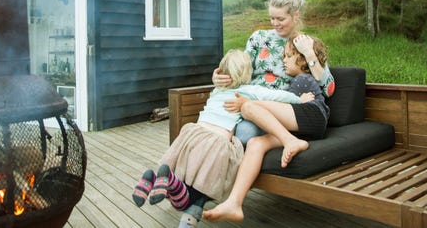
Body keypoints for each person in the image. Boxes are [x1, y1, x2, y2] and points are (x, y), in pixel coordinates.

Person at [131, 50, 311, 227]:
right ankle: (174, 187)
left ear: (223, 73)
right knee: (207, 181)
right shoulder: (249, 90)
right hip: (217, 139)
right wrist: (299, 99)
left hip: (193, 133)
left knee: (183, 169)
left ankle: (156, 178)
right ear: (246, 74)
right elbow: (278, 96)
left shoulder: (217, 90)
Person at [203, 35, 330, 223]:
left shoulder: (303, 80)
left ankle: (290, 141)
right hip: (300, 128)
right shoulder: (291, 78)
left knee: (247, 107)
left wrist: (248, 101)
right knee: (255, 144)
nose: (283, 60)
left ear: (302, 59)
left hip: (313, 116)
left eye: (288, 56)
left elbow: (292, 102)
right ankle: (234, 203)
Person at [213, 0, 335, 146]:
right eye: (272, 18)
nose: (275, 23)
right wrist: (219, 77)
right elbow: (241, 71)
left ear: (296, 15)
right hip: (247, 98)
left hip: (275, 109)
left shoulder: (305, 43)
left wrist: (309, 54)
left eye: (280, 19)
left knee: (244, 133)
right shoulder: (259, 38)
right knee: (212, 128)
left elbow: (329, 89)